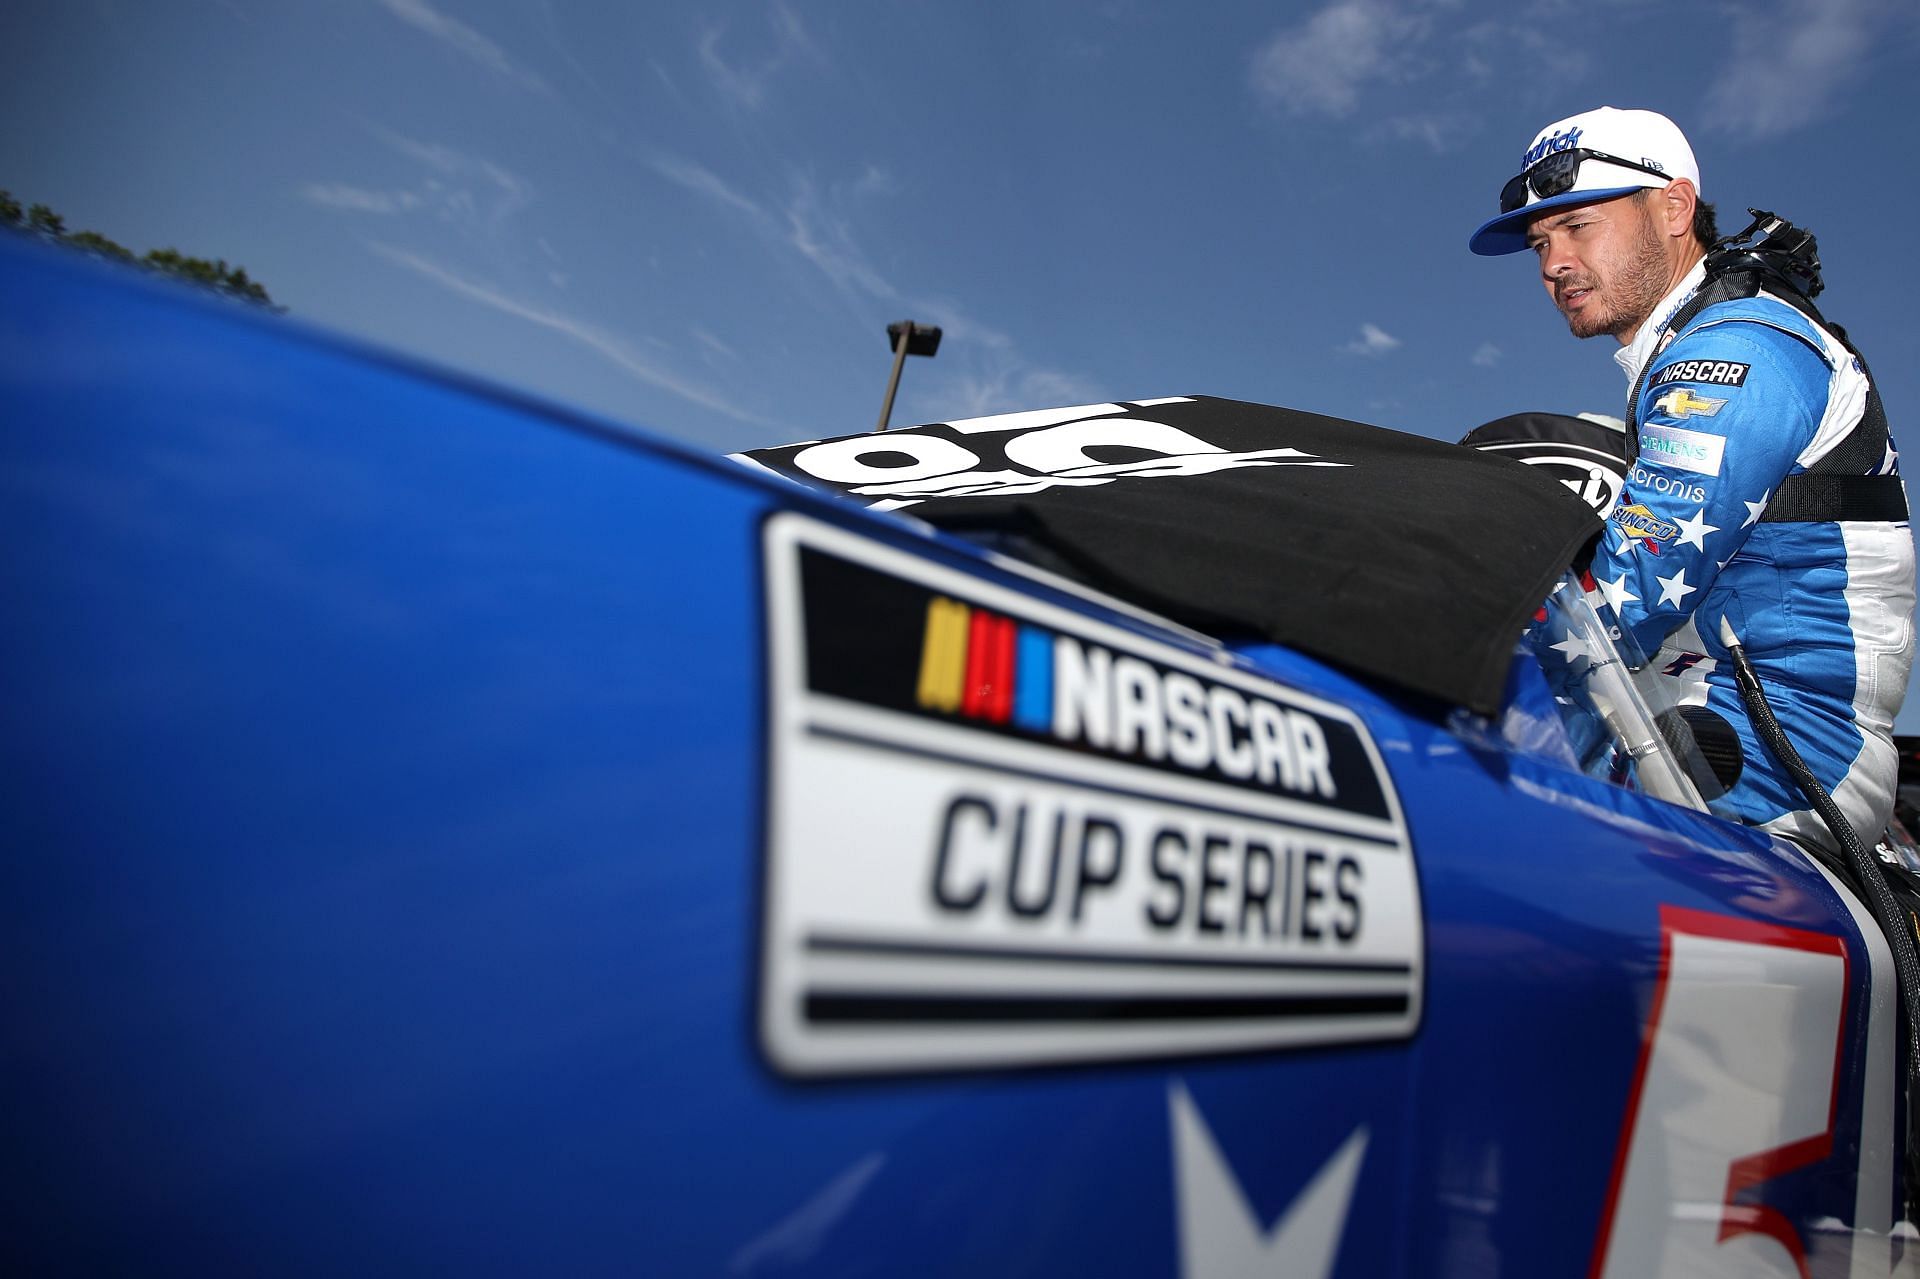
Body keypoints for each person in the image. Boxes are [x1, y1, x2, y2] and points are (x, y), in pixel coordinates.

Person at [1468, 105, 1915, 849]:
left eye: (1579, 227)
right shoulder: (1700, 342)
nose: (1552, 263)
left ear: (1674, 207)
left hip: (1785, 757)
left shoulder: (1741, 344)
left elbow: (1625, 596)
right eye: (1542, 242)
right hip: (1690, 712)